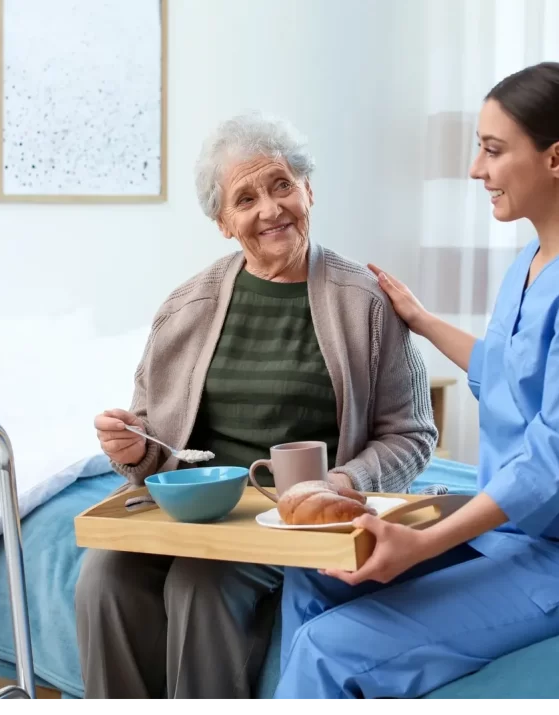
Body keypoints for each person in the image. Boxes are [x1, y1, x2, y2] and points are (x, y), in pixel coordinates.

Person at [273, 61, 559, 700]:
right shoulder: (533, 261)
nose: (475, 169)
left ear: (558, 158)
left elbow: (552, 459)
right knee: (317, 573)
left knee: (331, 648)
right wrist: (424, 321)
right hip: (511, 535)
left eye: (492, 150)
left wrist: (423, 541)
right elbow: (507, 373)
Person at [74, 112, 438, 700]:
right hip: (194, 510)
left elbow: (413, 434)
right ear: (223, 222)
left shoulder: (364, 303)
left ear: (309, 191)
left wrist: (342, 482)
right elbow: (150, 440)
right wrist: (134, 446)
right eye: (245, 198)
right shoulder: (183, 308)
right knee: (104, 574)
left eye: (281, 185)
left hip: (288, 519)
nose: (269, 209)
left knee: (200, 583)